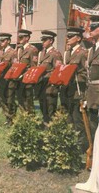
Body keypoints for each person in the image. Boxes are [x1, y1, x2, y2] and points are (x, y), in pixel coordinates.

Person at [75, 21, 99, 193]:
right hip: (92, 97)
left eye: (92, 27)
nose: (88, 30)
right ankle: (95, 179)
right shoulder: (91, 50)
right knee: (95, 136)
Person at [62, 27, 87, 152]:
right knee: (69, 117)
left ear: (78, 38)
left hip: (78, 90)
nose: (68, 38)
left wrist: (74, 74)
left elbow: (86, 73)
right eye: (67, 36)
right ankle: (71, 141)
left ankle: (81, 146)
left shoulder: (83, 53)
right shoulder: (67, 53)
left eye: (71, 36)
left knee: (78, 119)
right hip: (67, 90)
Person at [37, 30, 63, 123]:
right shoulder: (41, 53)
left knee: (50, 109)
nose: (42, 42)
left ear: (51, 41)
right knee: (43, 107)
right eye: (42, 40)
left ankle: (52, 129)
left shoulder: (55, 54)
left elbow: (58, 71)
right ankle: (45, 124)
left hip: (50, 86)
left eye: (45, 40)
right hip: (42, 85)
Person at [15, 29, 39, 114]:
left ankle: (31, 119)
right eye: (19, 37)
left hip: (27, 79)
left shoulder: (32, 49)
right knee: (20, 99)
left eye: (21, 37)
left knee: (28, 101)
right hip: (19, 79)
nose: (19, 39)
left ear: (27, 38)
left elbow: (34, 67)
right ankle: (23, 118)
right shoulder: (20, 49)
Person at [0, 33, 17, 124]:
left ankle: (12, 119)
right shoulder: (1, 52)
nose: (1, 42)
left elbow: (15, 67)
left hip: (10, 80)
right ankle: (8, 117)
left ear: (8, 41)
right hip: (2, 80)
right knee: (2, 99)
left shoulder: (13, 52)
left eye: (3, 40)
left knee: (10, 100)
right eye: (0, 40)